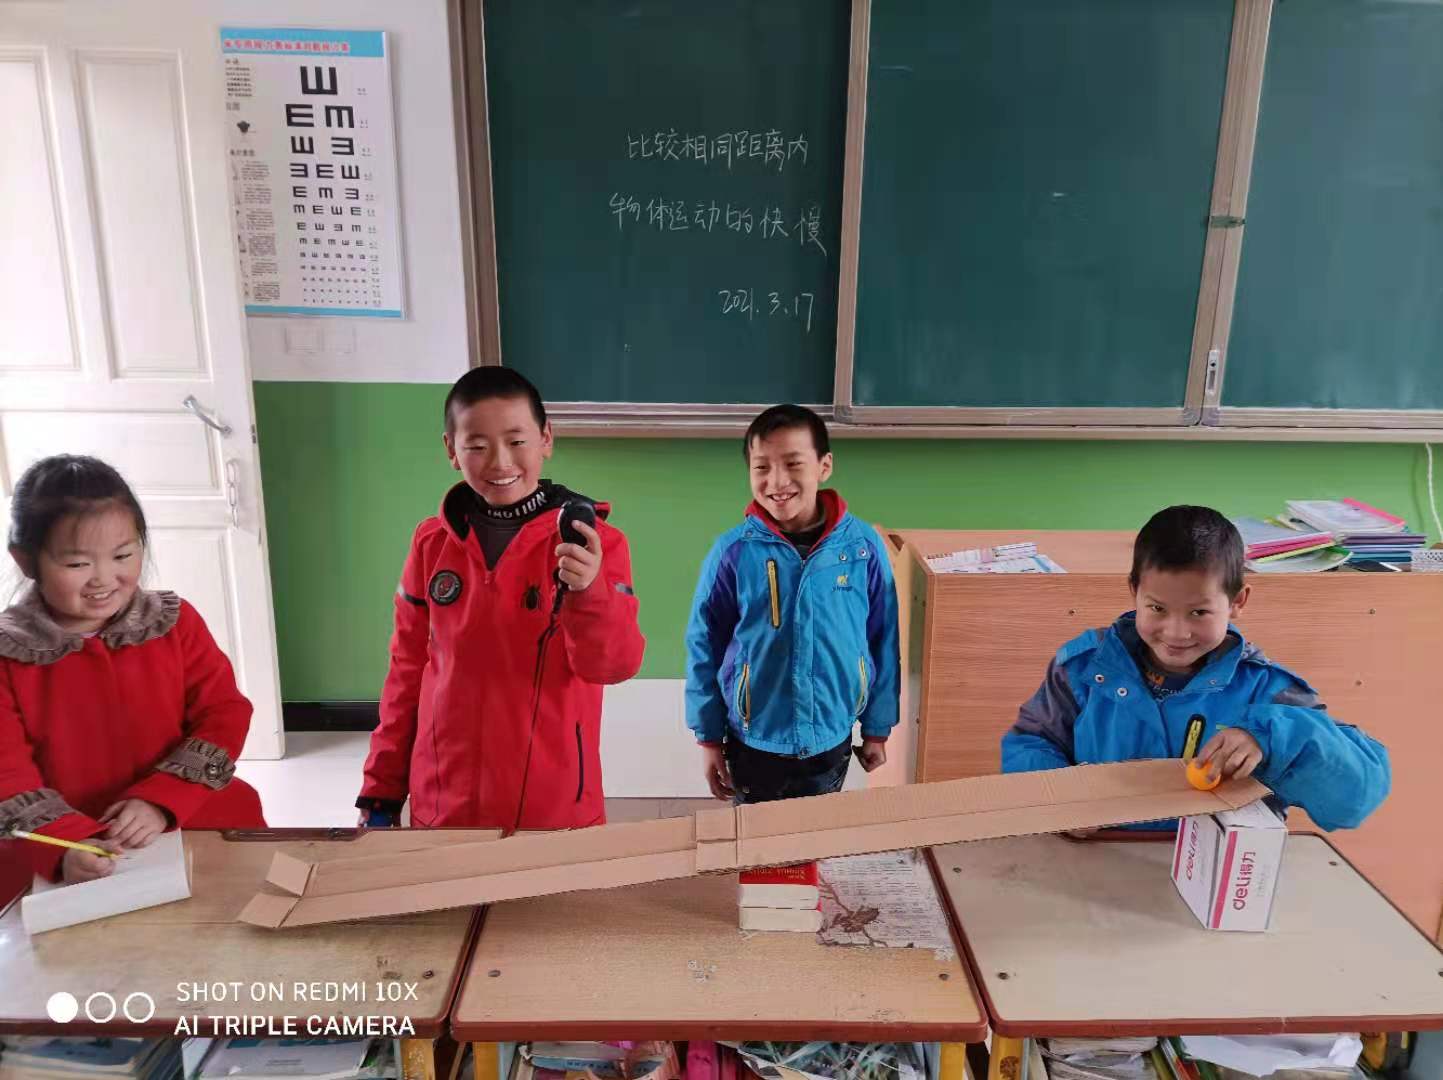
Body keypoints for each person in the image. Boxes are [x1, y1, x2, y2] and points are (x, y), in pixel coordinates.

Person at [356, 367, 645, 830]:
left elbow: (614, 665)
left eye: (516, 441)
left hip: (554, 814)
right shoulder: (432, 544)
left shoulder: (595, 543)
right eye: (477, 445)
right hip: (444, 808)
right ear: (451, 450)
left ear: (545, 439)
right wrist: (381, 789)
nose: (500, 461)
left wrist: (588, 591)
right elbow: (407, 672)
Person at [1002, 504, 1390, 830]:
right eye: (1157, 608)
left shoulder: (1269, 692)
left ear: (1237, 602)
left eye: (1199, 612)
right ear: (1134, 591)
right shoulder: (1084, 669)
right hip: (1096, 862)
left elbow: (1355, 800)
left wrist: (1272, 737)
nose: (1176, 632)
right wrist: (1059, 803)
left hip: (1222, 877)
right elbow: (1031, 743)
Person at [0, 455, 265, 883]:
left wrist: (162, 799)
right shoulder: (8, 654)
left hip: (185, 813)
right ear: (26, 561)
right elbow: (6, 773)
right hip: (65, 844)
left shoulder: (173, 622)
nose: (103, 578)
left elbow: (224, 713)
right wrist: (66, 846)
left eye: (123, 555)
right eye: (77, 564)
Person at [685, 404, 900, 804]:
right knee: (755, 838)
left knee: (813, 834)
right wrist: (709, 738)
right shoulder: (732, 552)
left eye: (793, 463)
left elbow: (883, 640)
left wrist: (877, 726)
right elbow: (704, 645)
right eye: (762, 467)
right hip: (753, 741)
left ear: (824, 466)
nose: (777, 481)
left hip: (831, 738)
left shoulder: (862, 548)